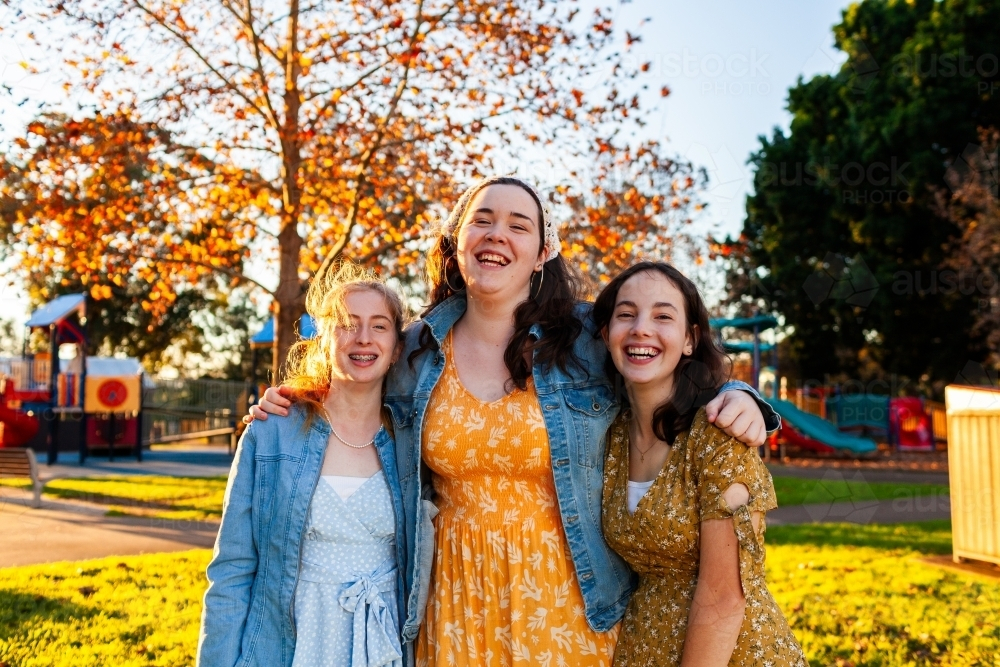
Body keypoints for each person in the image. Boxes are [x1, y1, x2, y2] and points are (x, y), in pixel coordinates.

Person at [249, 175, 780, 665]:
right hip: (450, 606)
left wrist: (739, 393)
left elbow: (659, 360)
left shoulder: (586, 339)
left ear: (543, 251)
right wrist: (294, 398)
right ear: (456, 242)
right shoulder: (415, 348)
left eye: (518, 224)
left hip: (568, 603)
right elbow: (349, 380)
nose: (496, 234)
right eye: (482, 220)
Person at [594, 261, 806, 667]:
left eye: (662, 316)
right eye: (626, 314)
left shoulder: (718, 435)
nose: (641, 328)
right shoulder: (611, 436)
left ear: (690, 340)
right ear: (606, 334)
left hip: (731, 653)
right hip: (644, 649)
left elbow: (725, 599)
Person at [198, 264, 408, 667]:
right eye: (347, 323)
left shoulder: (413, 440)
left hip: (382, 643)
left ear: (397, 346)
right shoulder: (272, 432)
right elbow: (233, 569)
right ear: (324, 339)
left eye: (379, 326)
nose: (363, 338)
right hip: (287, 643)